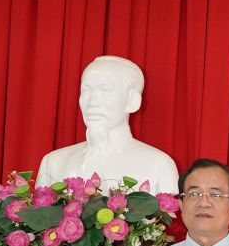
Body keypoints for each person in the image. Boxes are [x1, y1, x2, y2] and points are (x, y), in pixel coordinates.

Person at [37, 55, 180, 193]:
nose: (92, 101)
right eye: (86, 90)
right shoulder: (54, 163)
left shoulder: (158, 165)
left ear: (133, 101)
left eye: (106, 89)